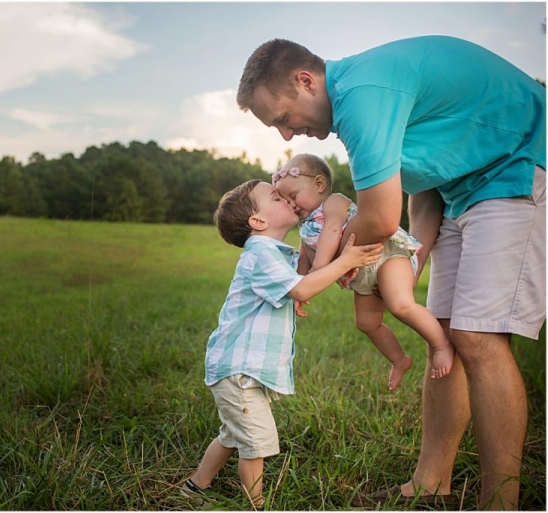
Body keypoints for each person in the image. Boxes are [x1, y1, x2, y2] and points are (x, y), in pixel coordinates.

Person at [236, 35, 545, 510]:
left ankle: (499, 504)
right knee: (445, 330)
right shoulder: (360, 98)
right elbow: (425, 183)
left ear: (306, 81)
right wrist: (412, 259)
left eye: (281, 117)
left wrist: (334, 261)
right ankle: (430, 483)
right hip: (461, 190)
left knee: (478, 337)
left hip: (518, 166)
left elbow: (379, 219)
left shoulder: (362, 96)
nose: (286, 135)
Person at [181, 179, 384, 509]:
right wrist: (346, 261)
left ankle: (196, 485)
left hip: (239, 367)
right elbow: (301, 289)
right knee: (256, 442)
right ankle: (256, 505)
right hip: (239, 369)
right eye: (276, 198)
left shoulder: (274, 254)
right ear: (258, 221)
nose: (287, 200)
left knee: (233, 434)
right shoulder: (261, 254)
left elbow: (302, 280)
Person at [274, 153, 455, 390]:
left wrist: (318, 270)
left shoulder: (334, 202)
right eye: (285, 201)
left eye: (293, 195)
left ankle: (441, 346)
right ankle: (399, 360)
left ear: (319, 184)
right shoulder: (305, 229)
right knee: (367, 323)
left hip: (385, 256)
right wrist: (301, 287)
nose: (291, 204)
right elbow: (304, 260)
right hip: (362, 275)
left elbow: (332, 231)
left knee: (401, 305)